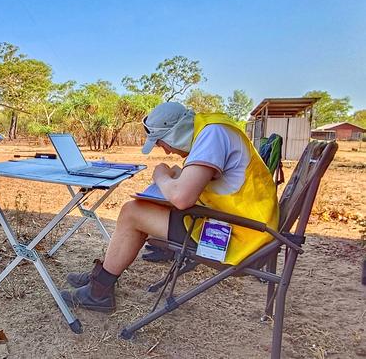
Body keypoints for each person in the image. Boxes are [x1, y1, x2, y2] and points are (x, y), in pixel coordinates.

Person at [60, 102, 279, 313]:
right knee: (141, 208)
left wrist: (162, 176)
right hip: (242, 226)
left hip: (239, 238)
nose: (165, 151)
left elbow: (182, 199)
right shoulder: (212, 128)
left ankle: (99, 293)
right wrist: (176, 177)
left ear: (175, 133)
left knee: (131, 212)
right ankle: (100, 278)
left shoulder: (213, 135)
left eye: (161, 142)